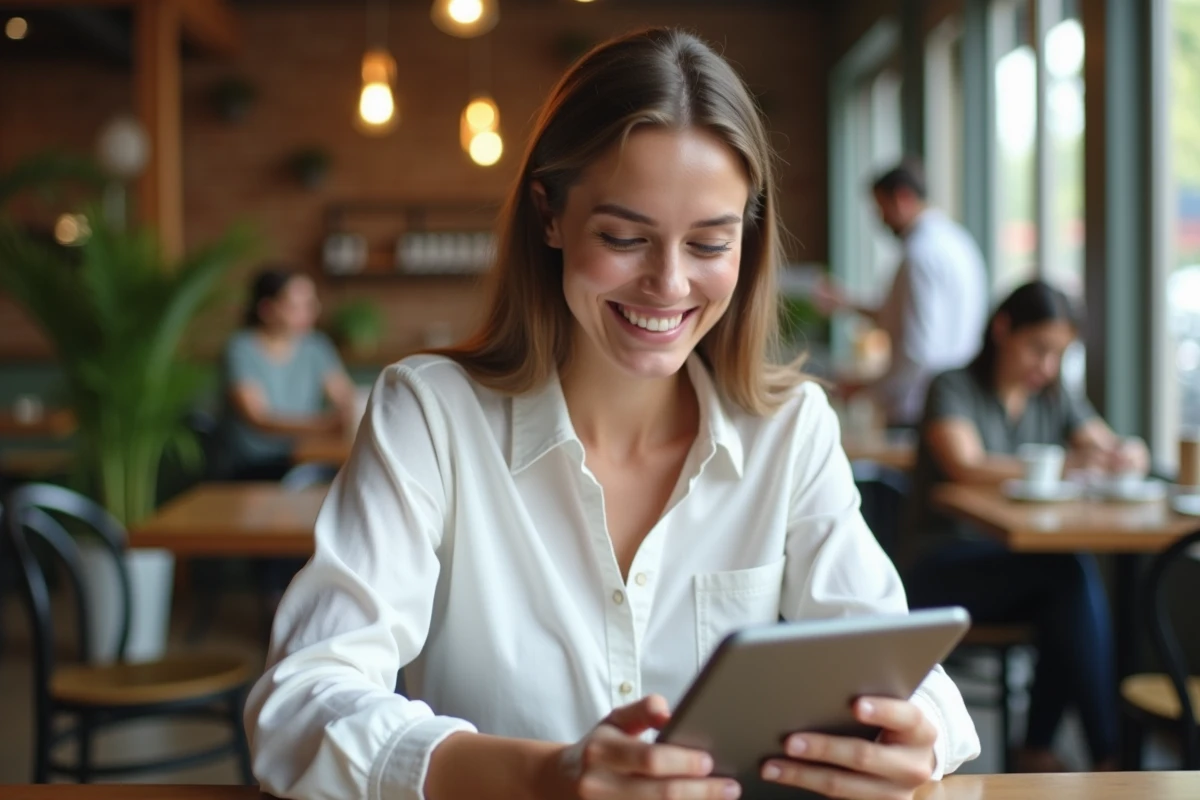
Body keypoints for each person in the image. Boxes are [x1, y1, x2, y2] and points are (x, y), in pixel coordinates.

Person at [244, 28, 979, 800]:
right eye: (625, 237)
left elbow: (908, 674)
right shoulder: (431, 416)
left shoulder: (790, 430)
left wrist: (918, 734)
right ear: (550, 215)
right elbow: (300, 705)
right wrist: (545, 775)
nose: (669, 283)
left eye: (709, 244)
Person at [903, 280, 1148, 772]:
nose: (1047, 366)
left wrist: (1128, 453)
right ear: (1002, 329)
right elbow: (965, 464)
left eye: (1058, 354)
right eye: (1038, 348)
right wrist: (1067, 465)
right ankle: (1106, 755)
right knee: (1065, 576)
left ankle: (1046, 748)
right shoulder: (952, 386)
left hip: (1017, 567)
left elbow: (1106, 444)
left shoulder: (1055, 396)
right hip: (939, 566)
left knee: (1064, 586)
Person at [816, 159, 988, 428]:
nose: (880, 219)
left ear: (902, 198)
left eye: (881, 208)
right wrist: (847, 304)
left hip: (919, 409)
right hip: (956, 402)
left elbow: (917, 351)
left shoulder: (919, 256)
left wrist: (866, 388)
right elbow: (904, 315)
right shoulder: (959, 242)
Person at [211, 266, 357, 481]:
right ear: (267, 309)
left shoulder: (316, 346)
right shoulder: (240, 349)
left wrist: (349, 411)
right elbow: (258, 418)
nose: (309, 313)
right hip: (251, 466)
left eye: (311, 304)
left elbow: (345, 396)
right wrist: (324, 426)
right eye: (297, 306)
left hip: (302, 456)